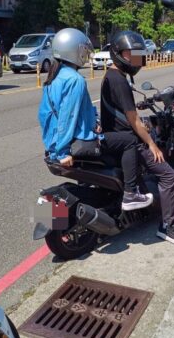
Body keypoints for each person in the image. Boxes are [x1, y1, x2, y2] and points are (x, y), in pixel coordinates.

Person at [38, 28, 153, 211]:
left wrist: (93, 124)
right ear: (73, 50)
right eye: (83, 50)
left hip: (55, 144)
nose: (86, 54)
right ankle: (131, 194)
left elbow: (46, 115)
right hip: (76, 144)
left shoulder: (55, 77)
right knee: (130, 140)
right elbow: (68, 117)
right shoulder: (75, 79)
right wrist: (62, 152)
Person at [100, 30, 174, 246]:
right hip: (127, 139)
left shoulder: (112, 76)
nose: (137, 59)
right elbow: (133, 120)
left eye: (139, 54)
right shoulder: (119, 80)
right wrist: (151, 144)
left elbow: (123, 113)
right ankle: (168, 227)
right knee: (169, 176)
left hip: (114, 135)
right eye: (133, 54)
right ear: (119, 53)